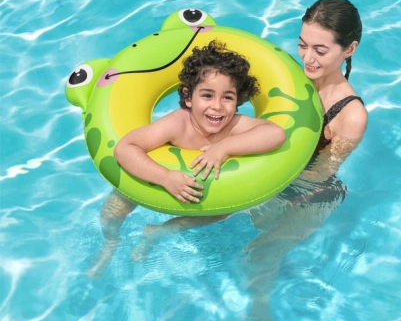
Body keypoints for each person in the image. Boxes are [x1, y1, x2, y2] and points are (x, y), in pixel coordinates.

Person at [87, 40, 286, 276]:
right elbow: (125, 149)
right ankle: (110, 243)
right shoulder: (178, 123)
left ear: (238, 101)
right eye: (207, 95)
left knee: (220, 212)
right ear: (188, 97)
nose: (217, 106)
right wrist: (165, 177)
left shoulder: (233, 125)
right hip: (154, 180)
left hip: (198, 192)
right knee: (116, 205)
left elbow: (275, 133)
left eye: (227, 97)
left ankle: (158, 232)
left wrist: (224, 147)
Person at [243, 0, 368, 321]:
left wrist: (259, 185)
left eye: (320, 50)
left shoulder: (351, 115)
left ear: (349, 49)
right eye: (302, 45)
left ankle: (258, 318)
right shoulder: (291, 80)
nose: (307, 58)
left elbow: (321, 173)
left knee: (260, 253)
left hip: (313, 193)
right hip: (274, 176)